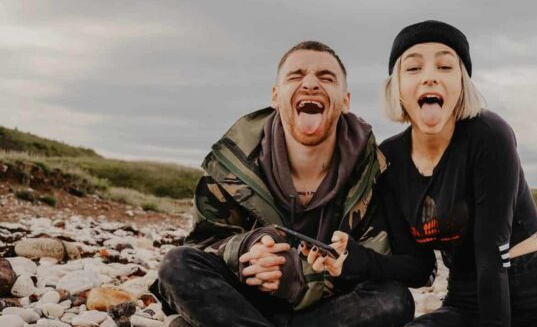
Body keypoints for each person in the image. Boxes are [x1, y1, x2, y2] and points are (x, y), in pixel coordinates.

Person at [152, 40, 422, 327]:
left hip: (325, 310)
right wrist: (245, 251)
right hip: (244, 300)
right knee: (177, 264)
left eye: (326, 78)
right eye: (296, 75)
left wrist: (300, 278)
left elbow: (376, 262)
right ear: (275, 95)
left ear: (345, 101)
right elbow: (201, 244)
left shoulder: (373, 172)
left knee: (394, 299)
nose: (310, 84)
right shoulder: (232, 163)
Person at [376, 20, 537, 327]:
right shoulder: (390, 159)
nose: (429, 77)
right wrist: (351, 263)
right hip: (468, 298)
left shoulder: (489, 134)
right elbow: (417, 268)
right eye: (413, 69)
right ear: (396, 87)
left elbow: (491, 257)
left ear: (462, 83)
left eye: (444, 66)